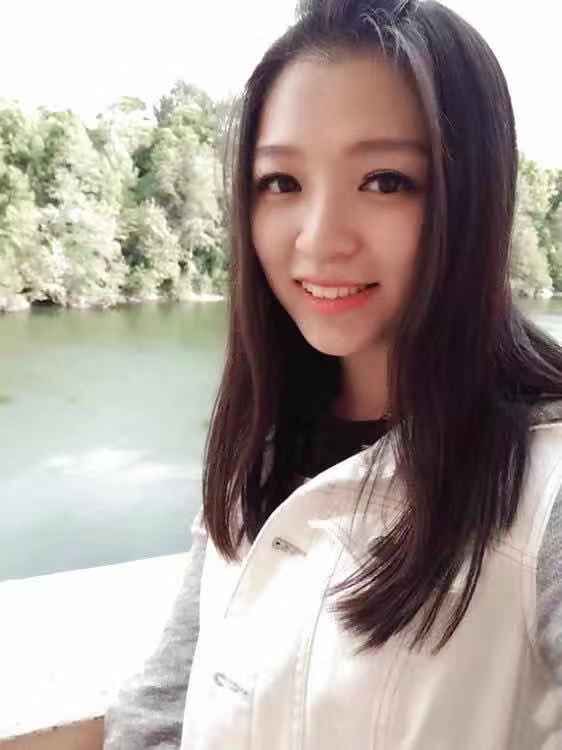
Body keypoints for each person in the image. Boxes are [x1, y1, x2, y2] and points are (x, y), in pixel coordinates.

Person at [104, 0, 562, 747]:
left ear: (475, 197)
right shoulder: (259, 450)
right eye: (281, 182)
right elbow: (160, 709)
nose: (318, 241)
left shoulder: (546, 485)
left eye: (384, 181)